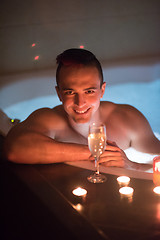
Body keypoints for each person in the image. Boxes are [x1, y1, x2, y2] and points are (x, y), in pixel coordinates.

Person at [3, 48, 160, 170]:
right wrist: (96, 152)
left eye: (89, 91)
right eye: (70, 92)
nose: (80, 103)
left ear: (102, 90)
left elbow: (156, 159)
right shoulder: (49, 119)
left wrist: (132, 165)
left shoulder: (128, 118)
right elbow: (14, 149)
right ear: (59, 93)